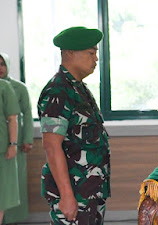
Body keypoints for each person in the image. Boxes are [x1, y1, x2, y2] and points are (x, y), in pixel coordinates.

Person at [37, 26, 110, 225]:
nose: (95, 58)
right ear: (70, 52)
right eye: (91, 52)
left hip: (89, 190)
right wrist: (67, 195)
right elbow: (52, 146)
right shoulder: (58, 92)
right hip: (74, 192)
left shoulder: (79, 89)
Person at [0, 52, 34, 224]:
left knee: (14, 182)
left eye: (2, 64)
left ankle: (12, 219)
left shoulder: (19, 88)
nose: (0, 68)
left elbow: (27, 114)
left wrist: (27, 138)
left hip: (16, 141)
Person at [0, 79, 20, 224]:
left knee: (2, 195)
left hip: (1, 150)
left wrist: (13, 144)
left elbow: (12, 118)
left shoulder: (4, 87)